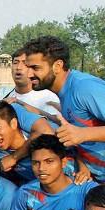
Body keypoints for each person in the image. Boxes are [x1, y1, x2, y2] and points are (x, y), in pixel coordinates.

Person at [24, 36, 105, 183]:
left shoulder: (84, 88)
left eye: (35, 68)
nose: (29, 74)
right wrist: (82, 164)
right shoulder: (64, 93)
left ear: (57, 66)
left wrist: (83, 134)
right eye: (27, 68)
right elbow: (78, 134)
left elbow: (80, 133)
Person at [0, 49, 60, 117]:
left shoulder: (48, 97)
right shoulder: (1, 93)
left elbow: (57, 123)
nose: (18, 67)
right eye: (15, 63)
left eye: (25, 63)